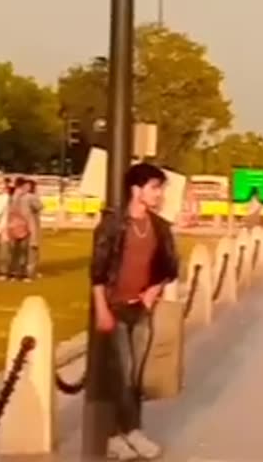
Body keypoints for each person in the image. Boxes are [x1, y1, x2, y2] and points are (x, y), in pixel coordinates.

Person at [88, 163, 180, 461]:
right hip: (114, 308)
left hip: (141, 309)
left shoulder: (159, 227)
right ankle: (130, 433)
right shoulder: (113, 225)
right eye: (154, 188)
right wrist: (102, 309)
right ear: (136, 190)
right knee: (123, 375)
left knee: (135, 376)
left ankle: (119, 435)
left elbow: (170, 266)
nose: (159, 194)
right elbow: (98, 272)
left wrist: (154, 289)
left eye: (161, 188)